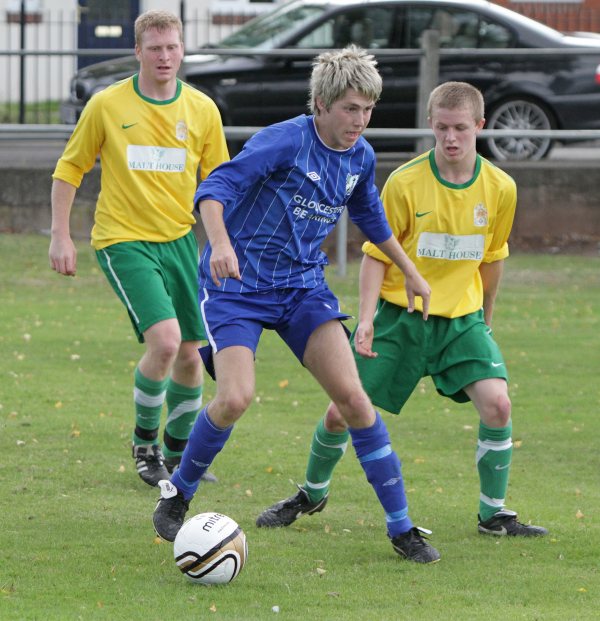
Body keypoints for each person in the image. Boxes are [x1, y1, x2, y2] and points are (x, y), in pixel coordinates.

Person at [153, 46, 440, 563]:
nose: (360, 120)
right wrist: (219, 244)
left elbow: (370, 217)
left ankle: (402, 528)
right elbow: (214, 188)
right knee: (236, 396)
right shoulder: (284, 140)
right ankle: (178, 491)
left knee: (355, 400)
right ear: (323, 104)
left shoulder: (361, 156)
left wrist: (413, 271)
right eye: (351, 108)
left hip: (302, 289)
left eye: (368, 109)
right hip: (237, 286)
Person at [256, 81, 548, 554]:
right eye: (441, 128)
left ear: (480, 126)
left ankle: (493, 514)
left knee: (499, 404)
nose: (450, 138)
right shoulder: (406, 182)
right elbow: (376, 255)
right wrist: (366, 318)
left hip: (461, 321)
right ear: (430, 126)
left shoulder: (500, 188)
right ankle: (310, 494)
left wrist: (485, 320)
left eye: (460, 129)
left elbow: (492, 260)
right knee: (341, 411)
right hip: (399, 318)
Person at [49, 9, 228, 487]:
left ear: (182, 49)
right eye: (155, 48)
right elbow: (70, 169)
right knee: (166, 342)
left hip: (179, 242)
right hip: (123, 240)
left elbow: (216, 184)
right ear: (138, 52)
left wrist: (222, 244)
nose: (165, 56)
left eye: (172, 47)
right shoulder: (108, 105)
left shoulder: (202, 109)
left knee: (193, 356)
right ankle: (144, 445)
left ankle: (176, 455)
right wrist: (60, 234)